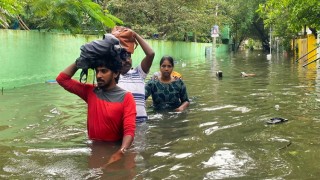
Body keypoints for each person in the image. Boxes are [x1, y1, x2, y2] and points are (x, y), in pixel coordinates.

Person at [56, 45, 136, 166]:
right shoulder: (91, 92)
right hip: (93, 148)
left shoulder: (127, 97)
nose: (98, 75)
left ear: (115, 73)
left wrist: (121, 151)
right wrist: (79, 62)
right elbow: (62, 79)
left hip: (114, 150)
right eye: (97, 71)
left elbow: (129, 131)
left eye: (104, 71)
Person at [115, 28, 155, 123]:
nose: (128, 60)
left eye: (129, 56)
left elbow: (151, 54)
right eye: (124, 58)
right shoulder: (111, 76)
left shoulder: (139, 73)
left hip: (141, 126)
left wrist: (135, 35)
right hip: (121, 126)